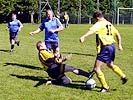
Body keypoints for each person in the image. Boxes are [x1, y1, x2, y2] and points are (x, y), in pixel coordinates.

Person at [80, 12, 128, 92]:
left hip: (106, 47)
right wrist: (119, 45)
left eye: (94, 20)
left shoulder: (100, 23)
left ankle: (105, 87)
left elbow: (92, 30)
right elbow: (118, 35)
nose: (95, 21)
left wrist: (84, 36)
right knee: (110, 64)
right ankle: (123, 76)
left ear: (97, 18)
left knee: (96, 68)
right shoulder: (109, 24)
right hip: (112, 46)